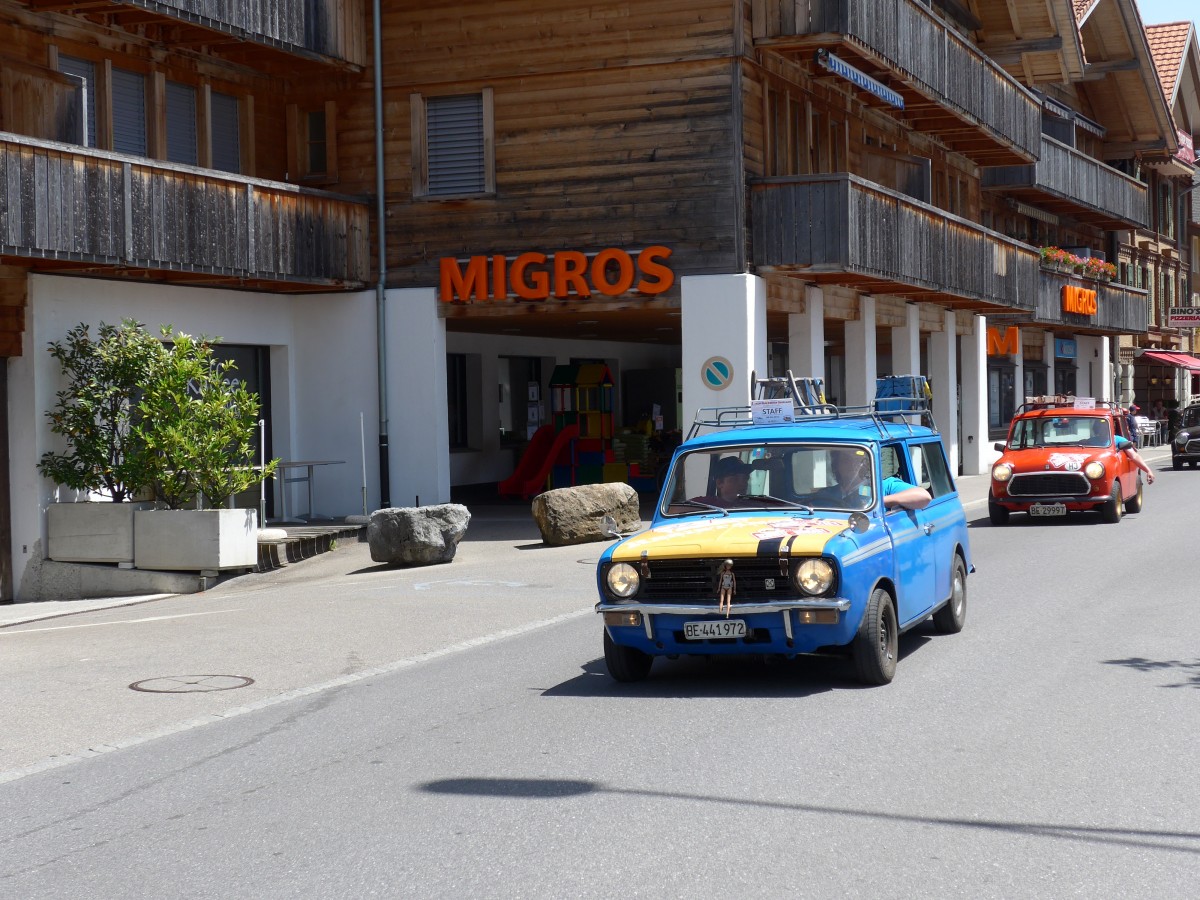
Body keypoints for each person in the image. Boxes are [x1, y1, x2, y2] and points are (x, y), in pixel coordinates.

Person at [812, 447, 931, 511]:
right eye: (845, 460)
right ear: (837, 465)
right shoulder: (828, 493)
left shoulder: (883, 486)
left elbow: (923, 496)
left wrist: (878, 501)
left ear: (866, 463)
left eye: (857, 460)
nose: (852, 465)